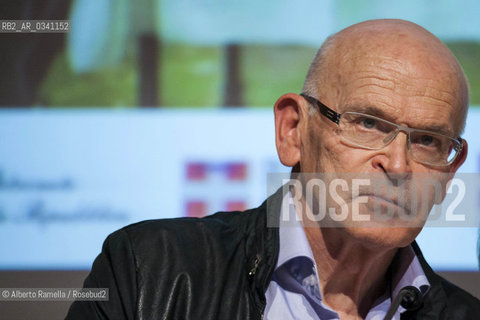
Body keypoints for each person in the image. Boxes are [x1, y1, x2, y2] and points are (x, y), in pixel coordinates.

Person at [66, 19, 480, 319]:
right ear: (293, 131)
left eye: (427, 140)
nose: (396, 164)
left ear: (448, 172)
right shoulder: (150, 271)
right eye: (368, 123)